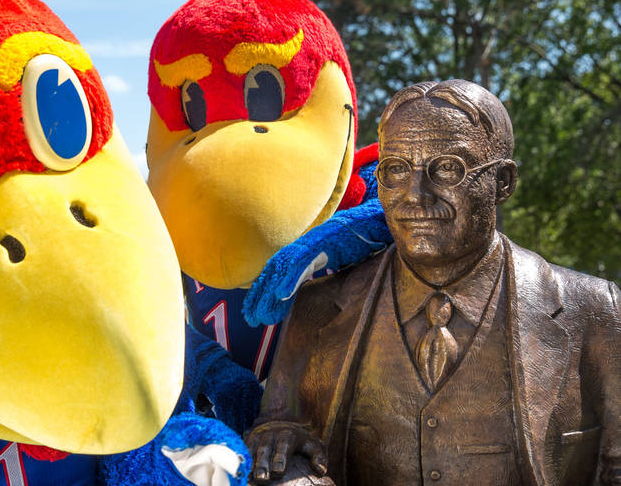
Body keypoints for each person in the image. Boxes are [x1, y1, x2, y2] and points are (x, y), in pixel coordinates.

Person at [246, 80, 620, 486]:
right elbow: (278, 438)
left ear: (503, 182)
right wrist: (283, 449)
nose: (416, 195)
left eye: (447, 169)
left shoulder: (595, 311)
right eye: (396, 169)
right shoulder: (316, 310)